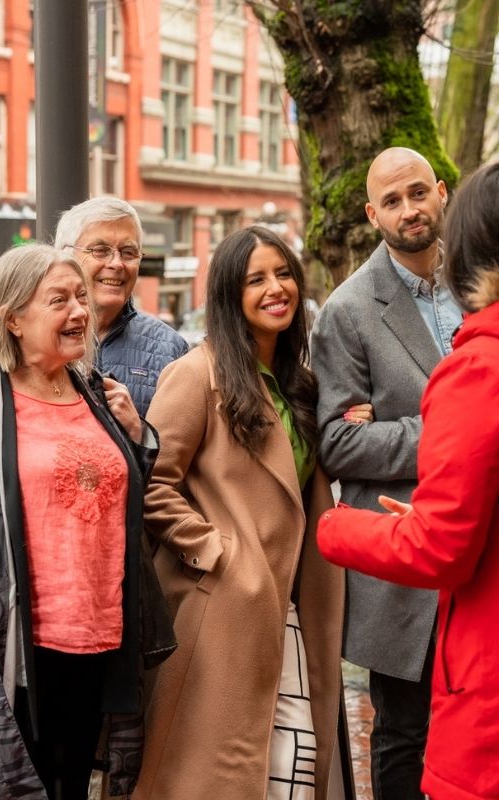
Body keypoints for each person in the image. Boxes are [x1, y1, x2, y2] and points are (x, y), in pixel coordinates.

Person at [0, 243, 173, 800]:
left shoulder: (94, 391)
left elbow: (116, 500)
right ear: (13, 318)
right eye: (58, 300)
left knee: (73, 783)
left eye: (80, 297)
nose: (79, 310)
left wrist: (140, 441)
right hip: (12, 642)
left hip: (100, 636)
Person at [135, 225, 351, 798]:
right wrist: (217, 553)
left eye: (283, 274)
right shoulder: (196, 374)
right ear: (231, 294)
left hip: (294, 609)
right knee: (221, 776)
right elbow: (152, 482)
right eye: (256, 278)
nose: (275, 288)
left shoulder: (300, 386)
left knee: (294, 768)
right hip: (225, 613)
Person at [318, 160, 499, 800]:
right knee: (401, 733)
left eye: (419, 193)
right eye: (390, 201)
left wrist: (453, 430)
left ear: (443, 194)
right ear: (372, 216)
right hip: (400, 557)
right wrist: (449, 436)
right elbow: (338, 439)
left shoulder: (477, 283)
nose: (408, 209)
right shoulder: (346, 310)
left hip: (480, 565)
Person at [54, 196, 188, 416]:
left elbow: (180, 446)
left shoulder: (170, 349)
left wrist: (139, 433)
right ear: (65, 255)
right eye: (100, 250)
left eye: (128, 252)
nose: (116, 264)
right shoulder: (38, 338)